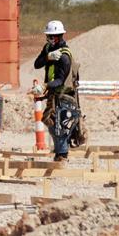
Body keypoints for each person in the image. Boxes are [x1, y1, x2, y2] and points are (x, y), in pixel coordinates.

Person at [35, 20, 80, 162]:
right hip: (54, 94)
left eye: (53, 36)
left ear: (60, 36)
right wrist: (47, 57)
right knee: (52, 123)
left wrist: (45, 86)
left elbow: (61, 80)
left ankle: (62, 154)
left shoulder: (65, 56)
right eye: (49, 36)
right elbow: (37, 64)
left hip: (64, 94)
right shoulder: (48, 48)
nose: (50, 39)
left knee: (60, 125)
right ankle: (61, 151)